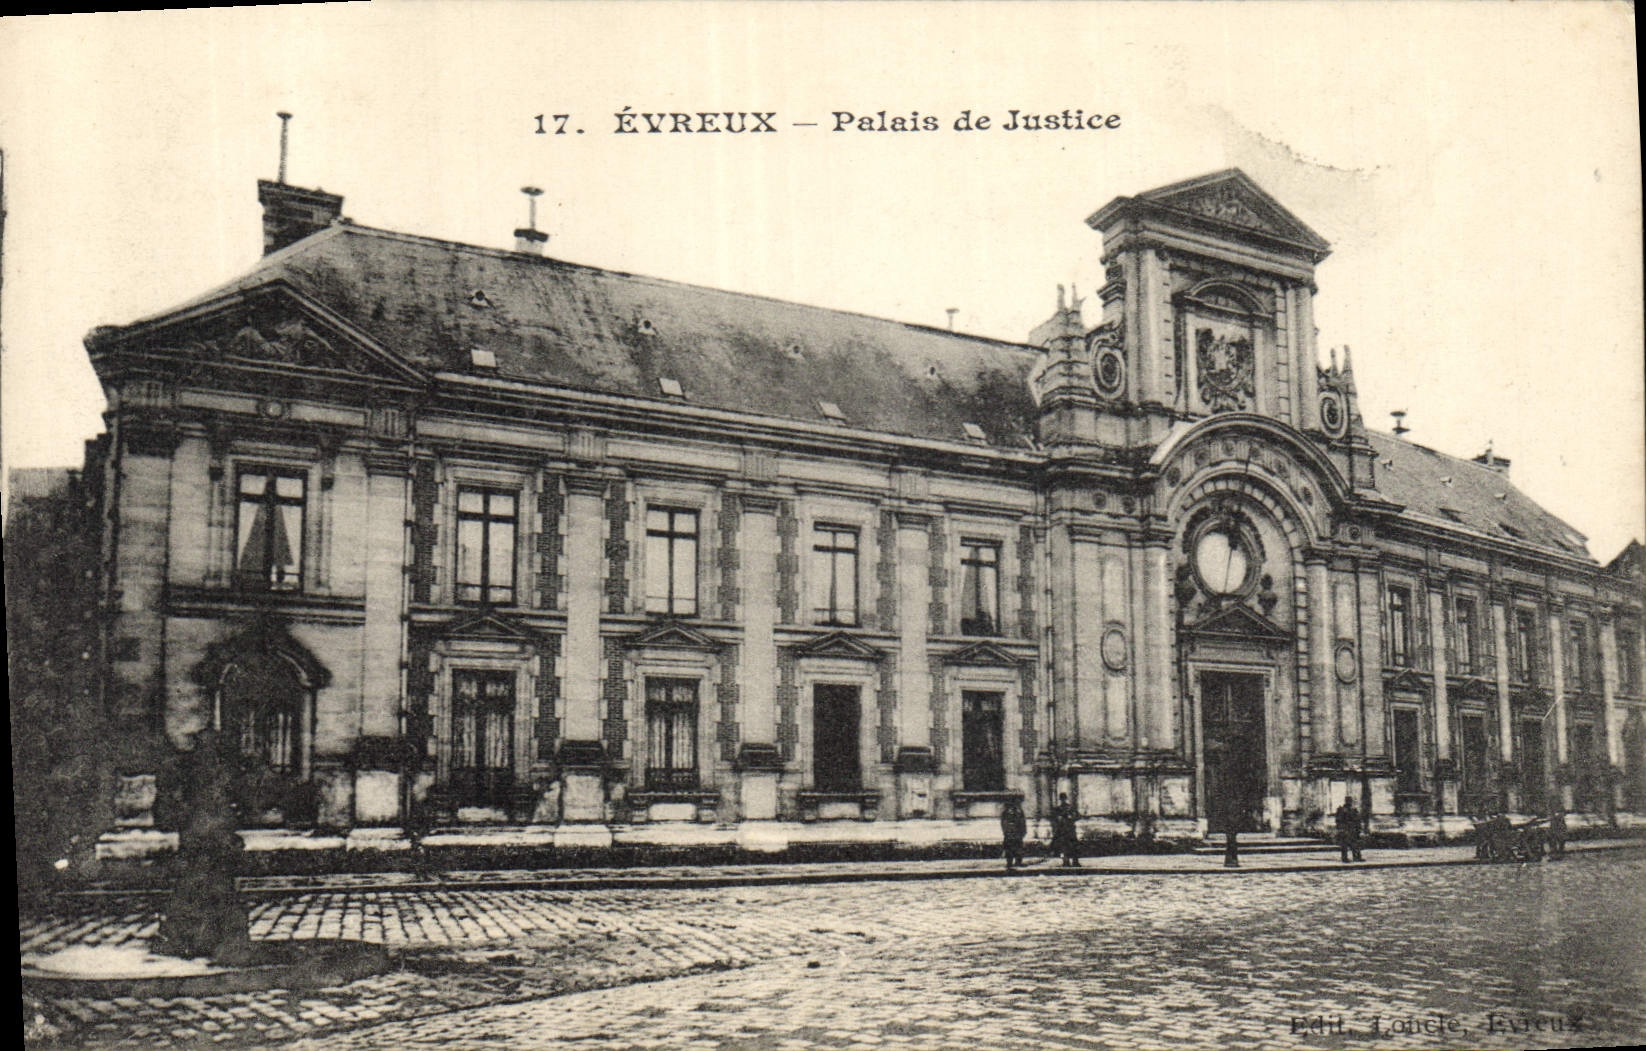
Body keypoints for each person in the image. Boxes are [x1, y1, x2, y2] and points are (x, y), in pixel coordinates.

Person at [1050, 793, 1081, 867]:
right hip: (1062, 831)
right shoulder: (1058, 809)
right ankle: (1066, 861)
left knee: (1074, 846)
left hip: (1070, 830)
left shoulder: (1070, 808)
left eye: (1064, 799)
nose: (1063, 800)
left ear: (1065, 799)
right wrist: (1058, 819)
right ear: (1060, 800)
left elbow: (1078, 816)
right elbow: (1054, 818)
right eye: (1062, 799)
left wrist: (1072, 817)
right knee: (1064, 847)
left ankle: (1075, 861)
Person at [1000, 798, 1027, 870]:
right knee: (1009, 849)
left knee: (1018, 848)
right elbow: (1004, 823)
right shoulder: (1006, 813)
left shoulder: (1019, 812)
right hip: (1010, 834)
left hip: (1017, 833)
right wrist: (1006, 831)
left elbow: (1022, 822)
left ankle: (1018, 862)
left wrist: (1023, 831)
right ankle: (1009, 862)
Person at [1335, 796, 1364, 863]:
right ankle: (1344, 858)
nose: (1350, 802)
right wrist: (1341, 829)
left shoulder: (1354, 810)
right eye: (1348, 801)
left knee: (1355, 844)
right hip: (1346, 829)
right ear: (1346, 801)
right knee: (1344, 845)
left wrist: (1359, 828)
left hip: (1353, 829)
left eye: (1350, 801)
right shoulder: (1341, 809)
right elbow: (1338, 820)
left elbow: (1357, 820)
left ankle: (1357, 857)